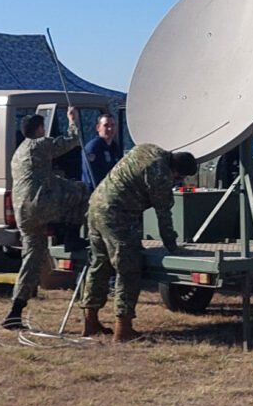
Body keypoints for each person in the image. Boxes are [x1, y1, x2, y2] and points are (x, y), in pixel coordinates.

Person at [80, 144, 198, 342]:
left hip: (96, 206)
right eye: (179, 178)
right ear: (176, 170)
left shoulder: (149, 149)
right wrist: (172, 246)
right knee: (129, 268)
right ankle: (123, 329)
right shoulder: (160, 173)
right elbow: (163, 214)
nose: (178, 181)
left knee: (99, 265)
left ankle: (90, 322)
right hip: (118, 215)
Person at [0, 107, 91, 330]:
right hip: (39, 205)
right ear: (39, 129)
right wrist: (73, 120)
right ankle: (72, 236)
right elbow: (73, 140)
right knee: (81, 190)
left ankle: (14, 311)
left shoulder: (19, 152)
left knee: (32, 258)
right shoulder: (39, 145)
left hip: (23, 213)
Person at [81, 113, 122, 188]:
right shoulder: (92, 148)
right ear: (98, 128)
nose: (110, 128)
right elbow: (91, 179)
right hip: (96, 193)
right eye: (106, 125)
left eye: (112, 125)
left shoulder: (114, 147)